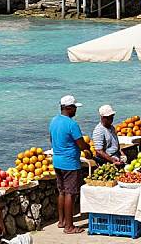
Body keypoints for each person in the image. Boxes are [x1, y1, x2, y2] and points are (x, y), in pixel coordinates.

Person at [49, 95, 89, 235]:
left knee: (62, 191)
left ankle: (61, 221)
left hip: (57, 161)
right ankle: (69, 227)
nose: (76, 110)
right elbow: (81, 143)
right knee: (70, 194)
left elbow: (51, 139)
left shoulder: (53, 121)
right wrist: (88, 149)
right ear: (68, 108)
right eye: (74, 108)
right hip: (70, 163)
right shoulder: (72, 124)